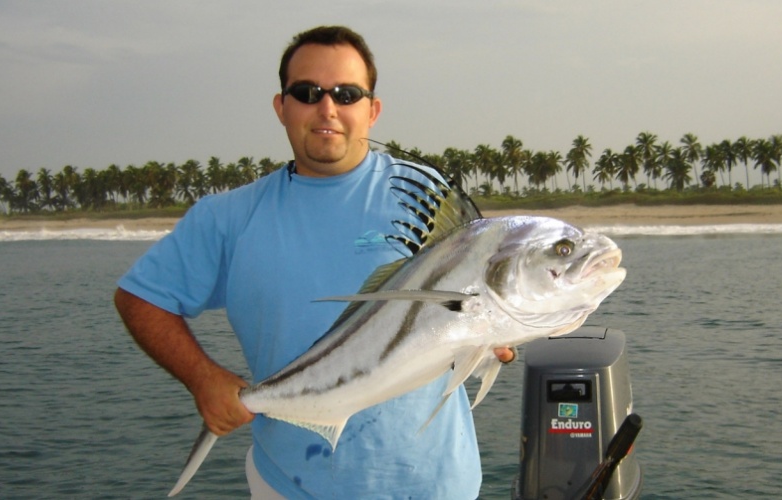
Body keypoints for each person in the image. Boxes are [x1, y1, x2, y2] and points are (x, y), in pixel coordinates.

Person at [114, 25, 514, 499]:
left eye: (347, 94)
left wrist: (496, 335)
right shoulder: (228, 217)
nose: (328, 108)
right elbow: (140, 297)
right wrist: (203, 379)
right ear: (281, 107)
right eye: (307, 93)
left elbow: (472, 296)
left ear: (373, 109)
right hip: (290, 485)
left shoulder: (427, 196)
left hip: (438, 484)